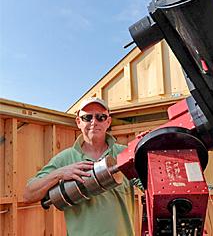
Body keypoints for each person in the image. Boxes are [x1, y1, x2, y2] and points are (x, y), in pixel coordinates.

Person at [23, 97, 135, 236]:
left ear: (108, 122)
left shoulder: (125, 154)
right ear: (78, 122)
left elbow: (150, 185)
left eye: (101, 117)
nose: (94, 122)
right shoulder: (65, 159)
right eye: (87, 117)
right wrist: (60, 173)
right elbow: (28, 194)